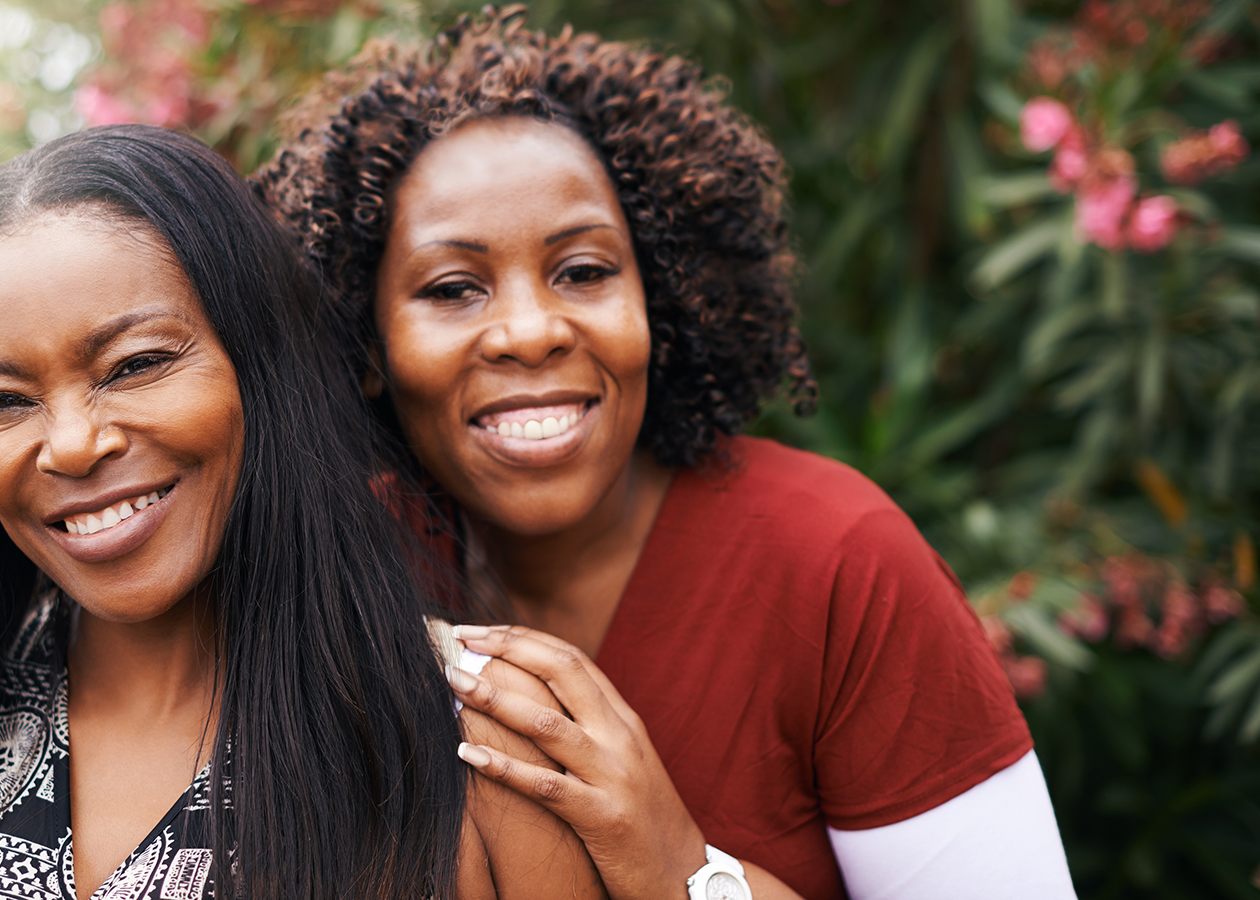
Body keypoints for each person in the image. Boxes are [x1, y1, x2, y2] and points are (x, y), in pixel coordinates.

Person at [255, 8, 1077, 900]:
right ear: (366, 346)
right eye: (454, 289)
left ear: (664, 299)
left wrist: (683, 869)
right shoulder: (343, 569)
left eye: (584, 271)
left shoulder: (835, 560)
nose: (530, 332)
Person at [0, 124, 609, 900]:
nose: (74, 446)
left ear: (262, 369)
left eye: (136, 364)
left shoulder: (484, 741)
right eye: (4, 400)